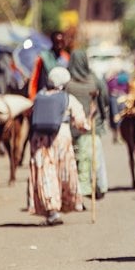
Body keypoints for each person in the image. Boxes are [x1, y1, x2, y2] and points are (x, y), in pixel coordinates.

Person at [27, 67, 88, 225]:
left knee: (46, 173)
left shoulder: (39, 97)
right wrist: (87, 124)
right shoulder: (68, 98)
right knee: (62, 173)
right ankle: (61, 206)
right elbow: (81, 123)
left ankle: (51, 211)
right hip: (61, 137)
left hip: (39, 140)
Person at [66, 50, 109, 200]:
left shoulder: (67, 81)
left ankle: (76, 192)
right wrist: (102, 116)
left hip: (71, 129)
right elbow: (104, 99)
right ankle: (97, 187)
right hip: (91, 127)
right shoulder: (94, 79)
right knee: (94, 161)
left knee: (76, 161)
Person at [28, 31, 70, 100]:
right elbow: (34, 78)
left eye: (61, 42)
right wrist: (32, 97)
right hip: (46, 95)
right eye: (57, 42)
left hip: (61, 96)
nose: (59, 45)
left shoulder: (66, 58)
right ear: (52, 42)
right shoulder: (43, 57)